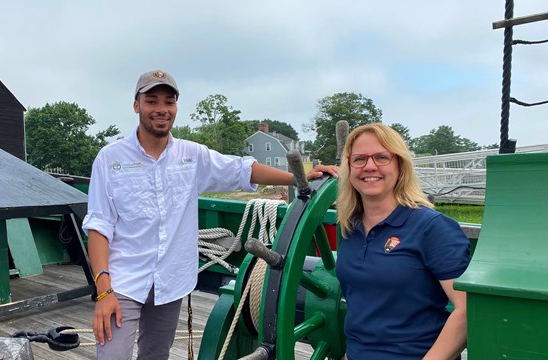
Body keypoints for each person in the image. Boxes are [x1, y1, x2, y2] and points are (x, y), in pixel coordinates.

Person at [82, 69, 339, 360]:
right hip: (123, 283)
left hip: (171, 281)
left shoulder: (192, 156)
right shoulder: (110, 158)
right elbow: (99, 226)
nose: (161, 109)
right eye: (152, 101)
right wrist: (104, 292)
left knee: (156, 355)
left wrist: (299, 176)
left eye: (169, 101)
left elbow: (242, 169)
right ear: (136, 105)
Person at [335, 123, 470, 360]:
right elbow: (361, 306)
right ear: (349, 166)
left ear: (399, 165)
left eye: (381, 157)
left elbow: (468, 311)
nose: (369, 166)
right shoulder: (350, 227)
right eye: (359, 159)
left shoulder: (432, 227)